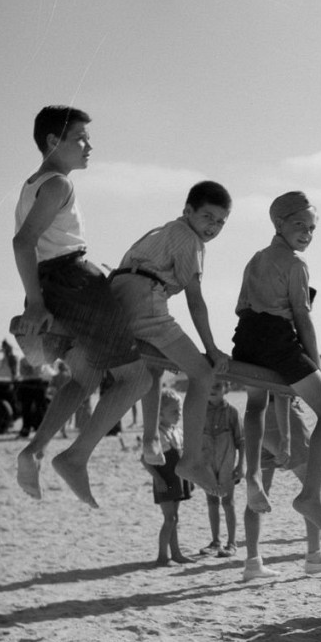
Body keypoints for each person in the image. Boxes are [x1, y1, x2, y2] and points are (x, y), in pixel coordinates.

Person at [12, 105, 151, 507]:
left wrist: (38, 295)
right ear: (54, 142)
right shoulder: (58, 185)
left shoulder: (32, 184)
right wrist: (37, 304)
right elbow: (22, 243)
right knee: (138, 377)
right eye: (81, 138)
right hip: (72, 283)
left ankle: (34, 450)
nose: (90, 145)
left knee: (85, 378)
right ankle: (75, 457)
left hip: (54, 283)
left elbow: (35, 247)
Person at [231, 191, 321, 538]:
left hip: (245, 336)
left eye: (312, 228)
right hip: (276, 336)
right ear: (279, 223)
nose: (307, 234)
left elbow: (242, 306)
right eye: (300, 226)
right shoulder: (296, 265)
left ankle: (251, 477)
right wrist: (315, 364)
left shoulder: (256, 258)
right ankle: (310, 496)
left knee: (254, 406)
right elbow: (302, 317)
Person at [109, 179, 232, 493]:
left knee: (153, 367)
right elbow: (195, 299)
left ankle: (151, 441)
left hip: (121, 301)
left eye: (221, 222)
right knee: (203, 375)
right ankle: (190, 459)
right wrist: (211, 348)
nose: (214, 227)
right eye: (207, 217)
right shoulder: (188, 239)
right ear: (188, 211)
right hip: (145, 299)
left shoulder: (162, 231)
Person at [242, 394, 321, 580]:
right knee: (312, 487)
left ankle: (253, 563)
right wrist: (286, 437)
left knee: (259, 492)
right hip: (283, 414)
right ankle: (315, 556)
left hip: (258, 417)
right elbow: (281, 389)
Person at [143, 388, 194, 566]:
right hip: (165, 480)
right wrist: (158, 479)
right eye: (174, 411)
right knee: (169, 518)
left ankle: (176, 553)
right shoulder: (157, 434)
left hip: (177, 479)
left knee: (175, 518)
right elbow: (146, 460)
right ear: (160, 413)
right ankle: (162, 556)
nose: (178, 414)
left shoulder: (176, 431)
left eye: (179, 410)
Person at [200, 378, 244, 557]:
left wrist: (241, 465)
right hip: (207, 463)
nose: (213, 389)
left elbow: (241, 441)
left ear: (227, 387)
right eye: (210, 385)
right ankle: (215, 541)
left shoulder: (232, 412)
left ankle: (231, 543)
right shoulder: (200, 410)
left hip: (227, 462)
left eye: (217, 386)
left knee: (227, 502)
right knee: (211, 502)